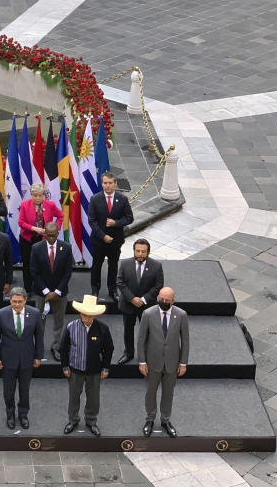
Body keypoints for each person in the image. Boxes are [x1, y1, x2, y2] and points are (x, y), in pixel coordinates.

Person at [137, 286, 189, 438]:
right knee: (150, 392)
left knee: (168, 393)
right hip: (153, 362)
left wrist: (183, 363)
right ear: (158, 298)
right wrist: (142, 362)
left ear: (173, 301)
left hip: (172, 363)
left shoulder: (181, 315)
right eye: (162, 299)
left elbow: (185, 341)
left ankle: (165, 420)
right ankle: (150, 419)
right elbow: (141, 340)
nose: (164, 302)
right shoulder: (148, 314)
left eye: (167, 300)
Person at [60, 294, 113, 436]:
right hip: (75, 370)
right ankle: (73, 420)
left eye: (90, 316)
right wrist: (65, 366)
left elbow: (109, 348)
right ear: (80, 313)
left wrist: (106, 367)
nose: (87, 319)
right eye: (85, 315)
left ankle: (91, 421)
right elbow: (63, 348)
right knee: (73, 397)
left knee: (94, 398)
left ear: (95, 315)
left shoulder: (103, 328)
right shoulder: (71, 327)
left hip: (95, 370)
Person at [0, 286, 43, 430]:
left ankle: (23, 414)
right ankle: (10, 414)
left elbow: (39, 336)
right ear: (10, 301)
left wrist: (38, 356)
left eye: (20, 302)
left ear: (25, 300)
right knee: (8, 391)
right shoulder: (0, 314)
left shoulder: (34, 313)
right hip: (8, 359)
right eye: (14, 302)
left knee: (24, 390)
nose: (17, 305)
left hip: (27, 358)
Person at [115, 238, 164, 365]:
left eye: (143, 251)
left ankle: (146, 354)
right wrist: (132, 298)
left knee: (147, 331)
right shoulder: (125, 264)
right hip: (128, 305)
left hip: (146, 306)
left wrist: (143, 299)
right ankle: (128, 353)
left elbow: (158, 286)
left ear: (148, 252)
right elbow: (120, 282)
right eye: (138, 251)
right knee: (128, 330)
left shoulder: (156, 266)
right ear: (134, 251)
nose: (140, 254)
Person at [87, 171, 134, 303]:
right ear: (102, 184)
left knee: (113, 266)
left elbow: (129, 218)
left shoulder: (122, 199)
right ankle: (95, 290)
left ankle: (112, 290)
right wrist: (103, 236)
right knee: (96, 265)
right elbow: (92, 220)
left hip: (115, 241)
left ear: (115, 183)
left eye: (110, 183)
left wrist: (116, 223)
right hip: (99, 240)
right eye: (105, 183)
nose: (107, 186)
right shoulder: (95, 199)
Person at [30, 222, 74, 362]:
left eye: (53, 235)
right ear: (45, 234)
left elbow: (67, 272)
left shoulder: (66, 248)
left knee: (58, 322)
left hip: (60, 293)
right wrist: (46, 291)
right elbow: (34, 272)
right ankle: (38, 348)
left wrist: (57, 291)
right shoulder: (36, 248)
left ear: (57, 233)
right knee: (39, 322)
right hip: (41, 293)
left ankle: (57, 347)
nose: (50, 238)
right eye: (48, 235)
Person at [17, 184, 63, 296]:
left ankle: (42, 287)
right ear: (31, 195)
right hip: (27, 239)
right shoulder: (24, 204)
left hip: (43, 240)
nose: (38, 198)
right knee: (27, 264)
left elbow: (60, 216)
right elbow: (21, 222)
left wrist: (54, 228)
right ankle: (27, 288)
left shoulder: (50, 205)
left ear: (44, 195)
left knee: (42, 264)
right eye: (35, 195)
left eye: (40, 195)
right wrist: (34, 229)